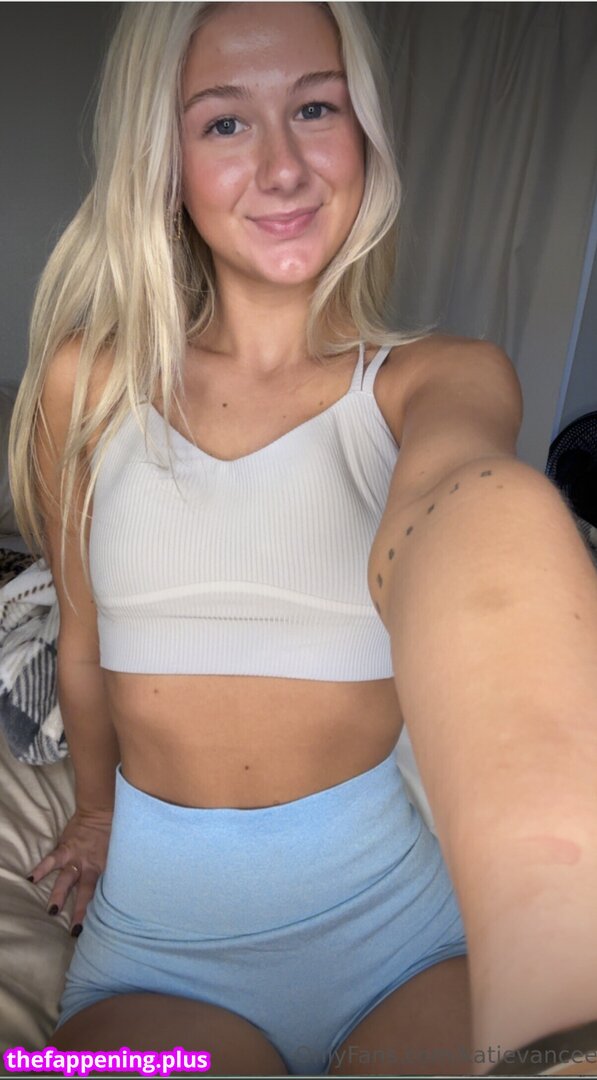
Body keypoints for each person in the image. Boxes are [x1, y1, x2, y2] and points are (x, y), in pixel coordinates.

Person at [8, 3, 597, 1077]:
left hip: (406, 941)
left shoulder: (441, 379)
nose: (283, 168)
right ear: (164, 160)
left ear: (362, 133)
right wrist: (94, 811)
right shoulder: (84, 383)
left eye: (316, 108)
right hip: (158, 952)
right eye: (225, 123)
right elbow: (80, 643)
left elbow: (461, 512)